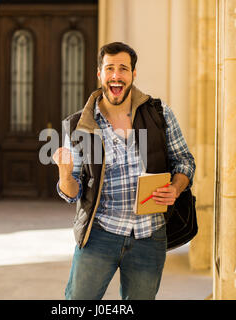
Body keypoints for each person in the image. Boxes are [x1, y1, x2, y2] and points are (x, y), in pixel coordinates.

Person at [52, 42, 196, 300]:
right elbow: (71, 193)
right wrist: (65, 174)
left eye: (123, 69)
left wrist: (175, 188)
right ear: (100, 74)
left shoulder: (160, 114)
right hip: (99, 235)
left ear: (133, 74)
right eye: (110, 69)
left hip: (148, 236)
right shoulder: (78, 125)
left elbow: (184, 162)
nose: (116, 76)